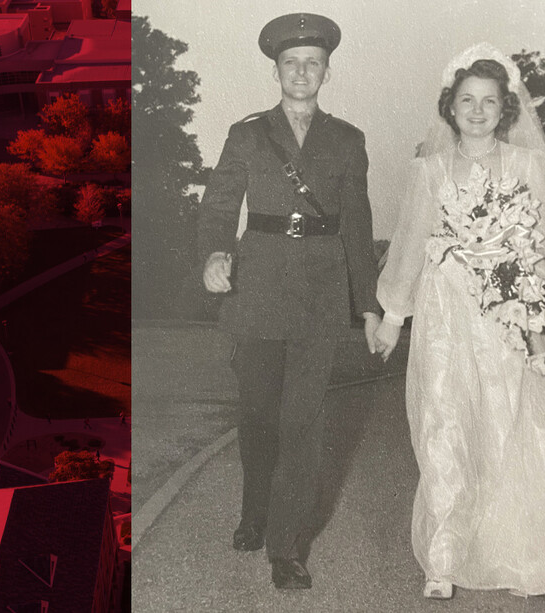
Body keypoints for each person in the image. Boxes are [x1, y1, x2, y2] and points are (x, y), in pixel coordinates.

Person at [374, 43, 545, 599]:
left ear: (506, 107)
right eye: (465, 100)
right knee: (444, 420)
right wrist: (392, 317)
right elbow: (410, 247)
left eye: (488, 101)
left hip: (506, 307)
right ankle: (444, 558)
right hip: (444, 307)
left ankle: (529, 550)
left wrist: (525, 254)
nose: (476, 110)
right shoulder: (428, 170)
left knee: (515, 417)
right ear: (449, 107)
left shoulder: (528, 164)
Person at [199, 13, 380, 590]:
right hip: (257, 289)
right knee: (258, 417)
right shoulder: (247, 133)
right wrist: (213, 254)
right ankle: (255, 511)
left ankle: (287, 547)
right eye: (291, 62)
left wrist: (369, 304)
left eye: (313, 62)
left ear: (327, 71)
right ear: (276, 70)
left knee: (303, 421)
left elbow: (357, 224)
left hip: (322, 294)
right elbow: (221, 206)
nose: (302, 71)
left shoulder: (348, 140)